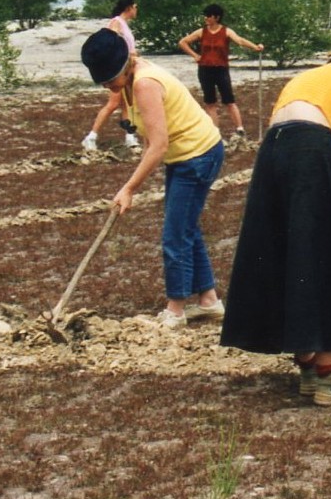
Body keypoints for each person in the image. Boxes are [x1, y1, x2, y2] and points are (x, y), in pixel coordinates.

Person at [220, 12, 331, 406]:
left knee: (288, 251)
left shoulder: (309, 83)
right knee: (322, 251)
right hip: (308, 145)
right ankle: (330, 377)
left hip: (275, 150)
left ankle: (309, 364)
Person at [83, 26, 226, 328]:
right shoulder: (130, 78)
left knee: (175, 235)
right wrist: (133, 184)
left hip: (198, 156)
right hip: (184, 156)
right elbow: (150, 137)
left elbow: (158, 145)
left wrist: (129, 188)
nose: (107, 86)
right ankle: (209, 301)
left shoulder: (145, 83)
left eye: (109, 79)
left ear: (123, 66)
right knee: (185, 227)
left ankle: (175, 310)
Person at [178, 3, 264, 145]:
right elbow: (183, 42)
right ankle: (215, 133)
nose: (206, 18)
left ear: (216, 17)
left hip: (221, 70)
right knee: (210, 102)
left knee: (229, 101)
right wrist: (195, 55)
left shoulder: (226, 31)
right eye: (205, 16)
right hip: (205, 70)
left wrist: (255, 47)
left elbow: (240, 41)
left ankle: (240, 129)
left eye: (209, 16)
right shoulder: (201, 32)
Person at [83, 0, 140, 153]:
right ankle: (91, 136)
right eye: (135, 7)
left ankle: (130, 136)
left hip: (128, 68)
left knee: (127, 103)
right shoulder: (116, 22)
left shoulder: (124, 24)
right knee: (113, 103)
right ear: (129, 8)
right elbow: (111, 45)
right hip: (119, 70)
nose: (137, 10)